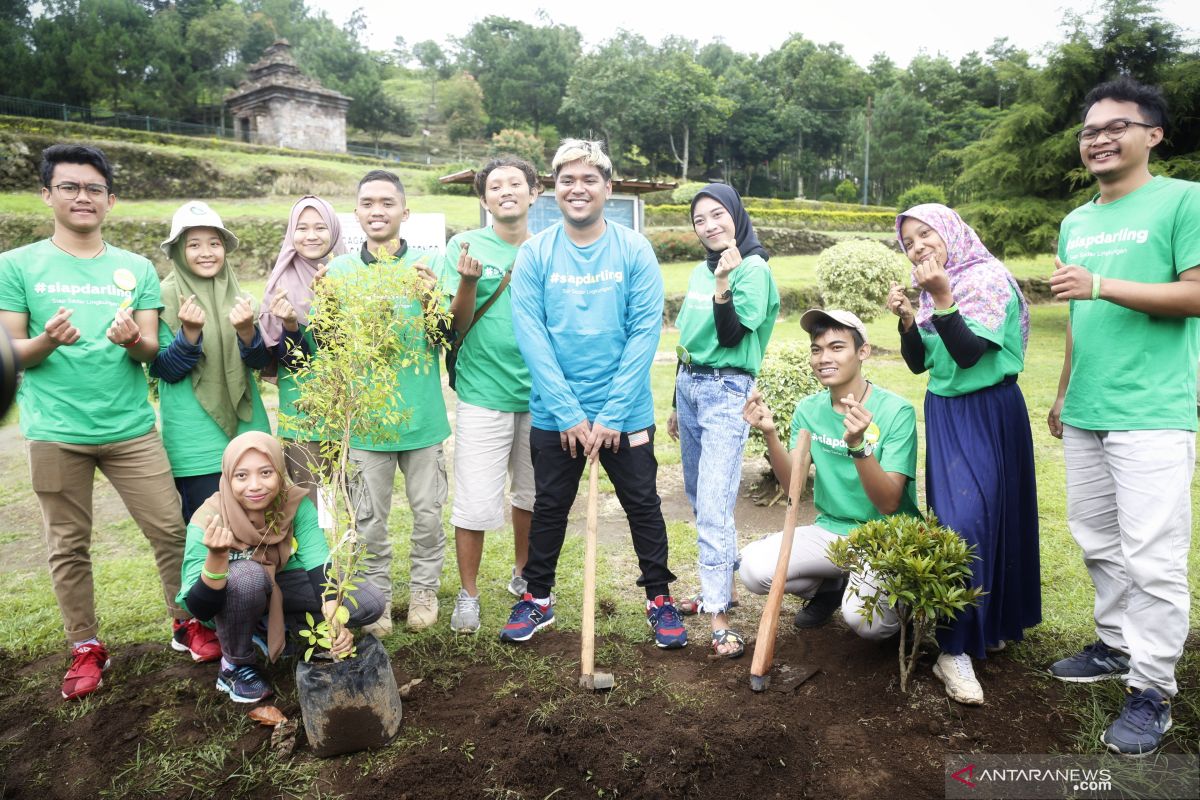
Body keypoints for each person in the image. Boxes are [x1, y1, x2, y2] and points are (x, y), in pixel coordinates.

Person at [0, 145, 201, 699]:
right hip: (55, 431)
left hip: (131, 428)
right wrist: (46, 340)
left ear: (110, 200)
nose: (81, 197)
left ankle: (187, 622)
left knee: (169, 529)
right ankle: (85, 646)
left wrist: (132, 339)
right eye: (69, 187)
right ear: (47, 195)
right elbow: (12, 352)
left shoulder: (135, 268)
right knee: (68, 543)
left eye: (93, 189)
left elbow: (150, 351)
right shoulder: (17, 265)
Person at [1046, 77, 1199, 756]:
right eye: (1089, 130)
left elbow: (1196, 294)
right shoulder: (1077, 223)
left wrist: (1104, 283)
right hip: (1088, 408)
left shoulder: (1183, 201)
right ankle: (1113, 645)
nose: (1099, 139)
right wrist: (1061, 392)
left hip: (1153, 410)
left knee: (1154, 558)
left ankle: (1153, 690)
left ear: (1152, 135)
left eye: (1115, 127)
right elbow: (1081, 317)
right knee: (1097, 539)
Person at [504, 139, 686, 649]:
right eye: (566, 180)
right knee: (550, 507)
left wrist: (611, 413)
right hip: (555, 414)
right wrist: (567, 413)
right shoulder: (536, 252)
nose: (577, 189)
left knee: (643, 506)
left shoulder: (633, 249)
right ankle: (537, 599)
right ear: (553, 190)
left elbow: (644, 333)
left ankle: (659, 600)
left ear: (608, 187)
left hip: (624, 414)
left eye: (588, 179)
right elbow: (532, 337)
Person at [887, 202, 1040, 706]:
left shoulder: (987, 279)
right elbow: (920, 365)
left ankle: (988, 627)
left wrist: (942, 297)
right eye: (908, 242)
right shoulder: (940, 290)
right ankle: (952, 649)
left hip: (993, 410)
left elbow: (972, 353)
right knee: (963, 522)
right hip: (950, 414)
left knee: (994, 518)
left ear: (951, 230)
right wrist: (911, 320)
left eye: (925, 233)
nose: (918, 246)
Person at [739, 310, 921, 646]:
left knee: (867, 623)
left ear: (862, 352)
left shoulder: (896, 411)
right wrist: (769, 434)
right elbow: (791, 485)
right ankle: (830, 585)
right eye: (816, 349)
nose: (824, 358)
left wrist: (858, 447)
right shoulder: (809, 410)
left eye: (837, 347)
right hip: (831, 531)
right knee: (751, 568)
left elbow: (889, 501)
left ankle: (900, 600)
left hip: (883, 536)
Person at [329, 170, 450, 635]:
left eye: (386, 202)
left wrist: (429, 298)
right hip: (366, 425)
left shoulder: (427, 266)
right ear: (356, 213)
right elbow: (330, 347)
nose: (376, 211)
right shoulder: (338, 273)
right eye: (367, 203)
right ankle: (375, 597)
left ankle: (424, 590)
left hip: (422, 420)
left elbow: (444, 338)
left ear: (404, 211)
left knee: (427, 514)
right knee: (368, 520)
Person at [177, 431, 384, 702]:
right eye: (242, 476)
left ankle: (284, 630)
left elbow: (319, 566)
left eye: (266, 473)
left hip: (283, 585)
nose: (255, 485)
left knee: (368, 601)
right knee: (248, 576)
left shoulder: (294, 504)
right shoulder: (208, 518)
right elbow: (199, 608)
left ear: (280, 471)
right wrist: (217, 557)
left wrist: (335, 626)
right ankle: (235, 665)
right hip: (227, 599)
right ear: (228, 476)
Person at [666, 183, 779, 658]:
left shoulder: (753, 271)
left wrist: (723, 285)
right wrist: (675, 400)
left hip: (726, 392)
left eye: (717, 215)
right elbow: (689, 339)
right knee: (699, 496)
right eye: (700, 220)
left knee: (714, 503)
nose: (710, 226)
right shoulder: (699, 270)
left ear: (736, 214)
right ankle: (722, 589)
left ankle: (718, 615)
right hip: (691, 388)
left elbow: (732, 338)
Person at [439, 157, 540, 634]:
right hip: (483, 392)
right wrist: (468, 280)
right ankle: (468, 594)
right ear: (483, 199)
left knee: (531, 494)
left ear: (534, 193)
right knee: (476, 501)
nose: (506, 191)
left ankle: (523, 574)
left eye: (515, 184)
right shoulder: (463, 246)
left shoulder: (549, 248)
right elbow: (454, 326)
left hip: (541, 394)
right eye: (495, 186)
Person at [151, 201, 278, 525]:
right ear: (178, 250)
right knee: (209, 532)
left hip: (248, 430)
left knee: (261, 527)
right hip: (194, 440)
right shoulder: (161, 298)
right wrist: (189, 334)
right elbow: (165, 370)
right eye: (193, 244)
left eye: (214, 243)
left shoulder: (242, 298)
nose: (206, 252)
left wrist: (247, 332)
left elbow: (261, 364)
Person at [258, 196, 347, 505]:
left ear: (334, 231)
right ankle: (319, 556)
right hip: (303, 415)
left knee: (352, 500)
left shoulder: (350, 275)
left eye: (320, 227)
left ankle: (346, 555)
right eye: (302, 227)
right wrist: (291, 326)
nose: (311, 235)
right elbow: (289, 362)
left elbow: (353, 348)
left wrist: (332, 305)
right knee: (311, 501)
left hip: (352, 411)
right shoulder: (280, 282)